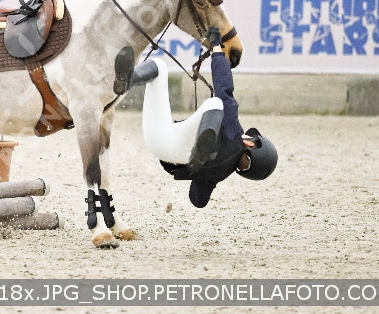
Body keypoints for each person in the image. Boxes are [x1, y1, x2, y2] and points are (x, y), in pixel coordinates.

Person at [113, 26, 278, 208]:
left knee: (210, 99)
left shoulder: (234, 131)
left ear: (251, 144)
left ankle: (130, 78)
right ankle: (200, 151)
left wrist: (216, 46)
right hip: (159, 146)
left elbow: (223, 84)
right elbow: (198, 200)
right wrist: (206, 174)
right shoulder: (220, 174)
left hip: (169, 138)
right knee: (209, 109)